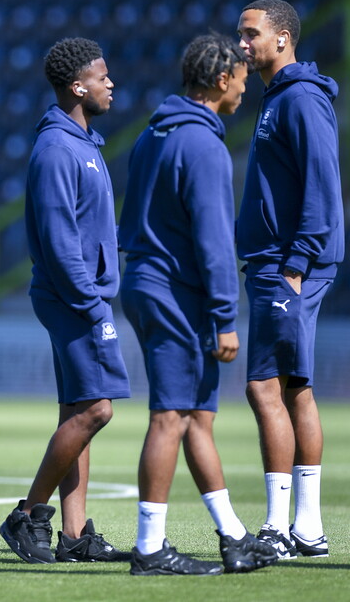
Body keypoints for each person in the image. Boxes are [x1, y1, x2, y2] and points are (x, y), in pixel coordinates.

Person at [119, 34, 278, 576]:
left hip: (146, 280)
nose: (243, 85)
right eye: (238, 76)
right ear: (218, 82)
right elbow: (214, 240)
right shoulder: (205, 146)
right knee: (169, 417)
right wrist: (225, 317)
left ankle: (233, 536)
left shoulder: (151, 135)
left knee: (196, 418)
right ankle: (149, 548)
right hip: (174, 294)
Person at [0, 37, 130, 565]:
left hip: (82, 296)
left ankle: (75, 534)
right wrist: (94, 306)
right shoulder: (57, 149)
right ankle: (28, 516)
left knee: (78, 410)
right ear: (78, 86)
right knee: (97, 410)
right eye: (102, 76)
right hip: (73, 300)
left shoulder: (82, 142)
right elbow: (58, 244)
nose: (110, 83)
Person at [236, 0, 344, 559]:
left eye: (251, 34)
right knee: (292, 386)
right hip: (274, 262)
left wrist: (298, 263)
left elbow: (322, 184)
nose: (242, 44)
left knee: (267, 387)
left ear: (282, 38)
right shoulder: (278, 97)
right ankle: (306, 527)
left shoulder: (300, 97)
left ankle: (282, 526)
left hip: (289, 264)